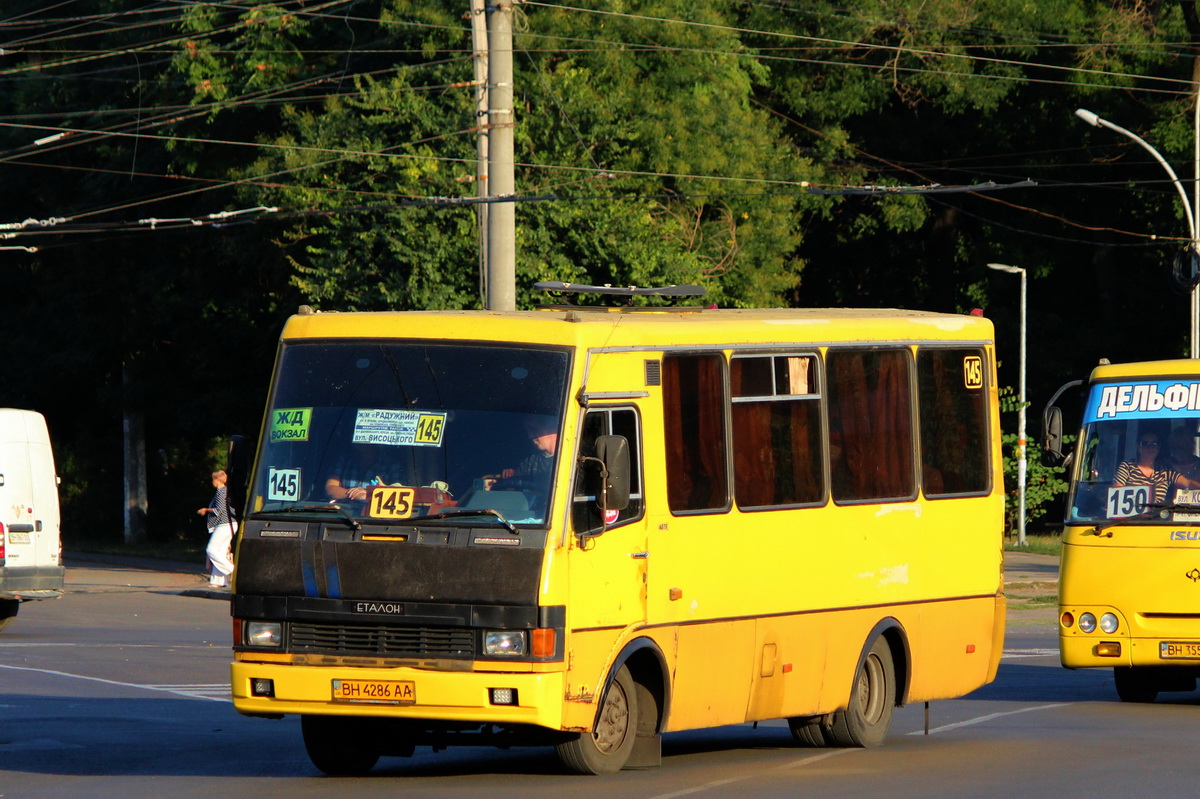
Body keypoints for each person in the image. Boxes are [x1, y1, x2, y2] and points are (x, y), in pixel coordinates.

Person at [1112, 431, 1200, 506]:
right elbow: (1117, 492)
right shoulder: (1127, 467)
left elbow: (1188, 484)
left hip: (1158, 520)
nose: (1150, 447)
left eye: (1154, 444)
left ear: (1159, 448)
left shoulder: (1165, 471)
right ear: (1138, 446)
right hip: (1128, 522)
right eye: (1145, 443)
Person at [197, 470, 235, 588]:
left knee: (211, 549)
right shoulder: (225, 491)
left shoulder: (221, 492)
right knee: (220, 552)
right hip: (229, 523)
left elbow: (218, 510)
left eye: (213, 479)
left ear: (217, 480)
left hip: (225, 524)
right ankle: (218, 581)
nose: (212, 482)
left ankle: (232, 569)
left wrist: (205, 510)